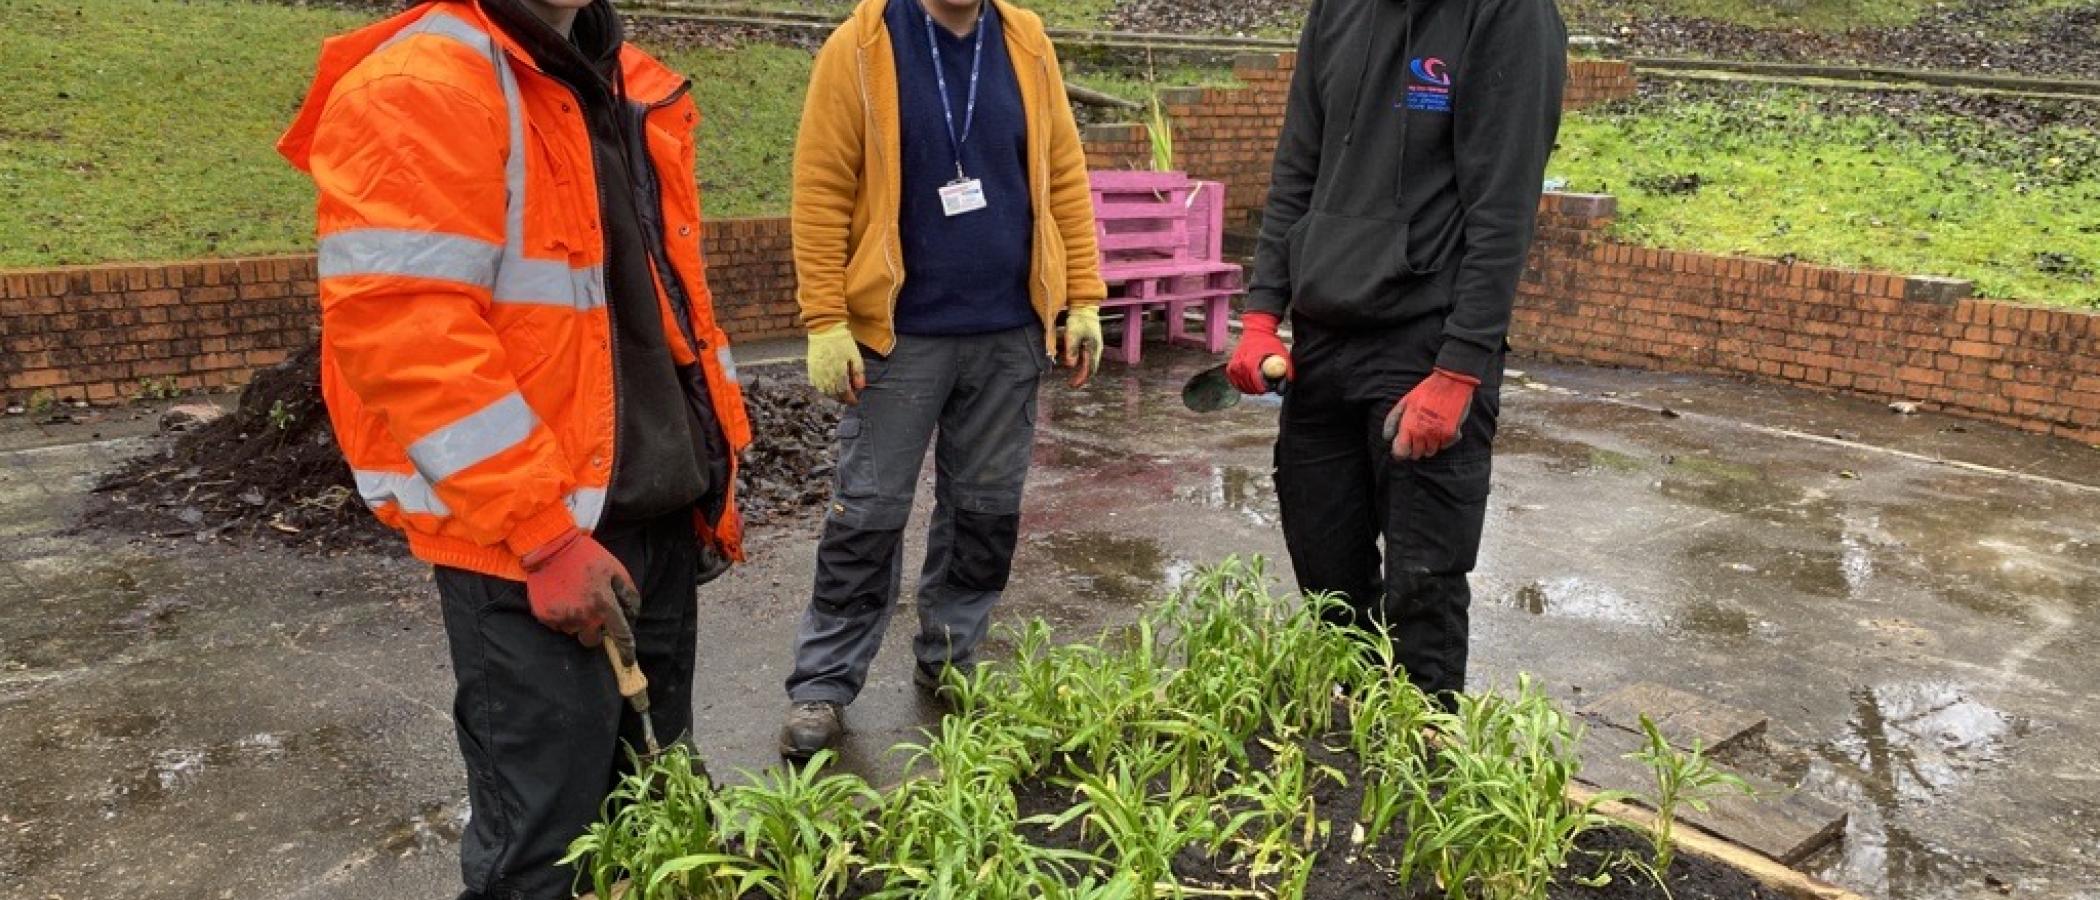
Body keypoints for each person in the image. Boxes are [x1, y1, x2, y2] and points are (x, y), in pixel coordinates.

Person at [277, 0, 750, 895]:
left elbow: (663, 304)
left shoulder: (612, 77)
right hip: (537, 547)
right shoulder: (424, 83)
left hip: (651, 511)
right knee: (544, 848)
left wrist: (709, 472)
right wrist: (542, 532)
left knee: (653, 814)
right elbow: (406, 329)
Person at [779, 0, 1107, 758]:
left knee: (984, 512)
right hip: (901, 335)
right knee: (866, 514)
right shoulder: (859, 46)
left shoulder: (1025, 40)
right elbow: (822, 185)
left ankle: (953, 660)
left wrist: (1082, 297)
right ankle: (823, 684)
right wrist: (826, 317)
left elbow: (1063, 173)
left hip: (1009, 331)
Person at [1230, 0, 1567, 702]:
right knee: (1326, 578)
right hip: (1323, 345)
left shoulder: (1509, 15)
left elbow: (1503, 206)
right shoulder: (1337, 10)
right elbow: (1298, 166)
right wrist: (1263, 311)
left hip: (1426, 347)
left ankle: (1423, 776)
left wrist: (1459, 369)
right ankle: (1354, 767)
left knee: (1423, 590)